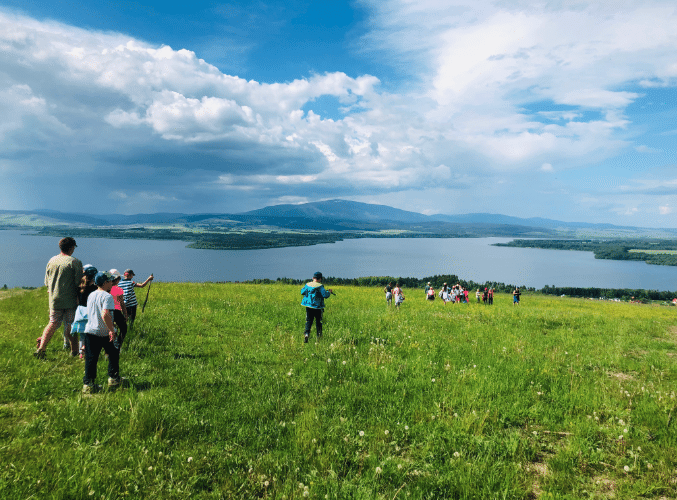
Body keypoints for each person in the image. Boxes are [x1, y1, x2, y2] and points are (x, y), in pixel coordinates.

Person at [35, 237, 83, 359]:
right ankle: (74, 351)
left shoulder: (52, 260)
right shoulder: (74, 262)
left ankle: (42, 348)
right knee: (70, 324)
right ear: (71, 248)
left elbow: (47, 282)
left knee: (53, 322)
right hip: (70, 299)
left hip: (54, 299)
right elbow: (79, 283)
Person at [82, 271, 122, 393]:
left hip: (90, 331)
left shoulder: (91, 295)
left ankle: (88, 385)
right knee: (114, 354)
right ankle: (113, 378)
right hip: (104, 332)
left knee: (91, 358)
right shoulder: (107, 296)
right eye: (110, 281)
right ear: (105, 283)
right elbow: (105, 314)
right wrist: (112, 330)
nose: (112, 283)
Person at [71, 265, 99, 359]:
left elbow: (77, 301)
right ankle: (87, 349)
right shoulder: (95, 288)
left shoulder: (79, 287)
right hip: (90, 312)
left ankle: (81, 353)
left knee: (82, 334)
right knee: (91, 334)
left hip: (80, 312)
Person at [300, 272, 333, 343]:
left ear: (313, 278)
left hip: (308, 306)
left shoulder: (308, 284)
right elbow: (325, 295)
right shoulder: (320, 286)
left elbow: (302, 292)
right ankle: (319, 337)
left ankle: (306, 334)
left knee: (309, 321)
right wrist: (329, 292)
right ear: (320, 279)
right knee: (318, 322)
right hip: (318, 307)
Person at [109, 269, 128, 349]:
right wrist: (125, 315)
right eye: (119, 278)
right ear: (116, 279)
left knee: (110, 329)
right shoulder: (118, 289)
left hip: (107, 311)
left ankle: (111, 345)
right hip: (116, 311)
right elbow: (122, 303)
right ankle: (118, 344)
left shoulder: (106, 288)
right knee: (123, 328)